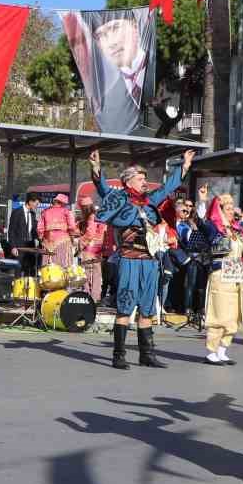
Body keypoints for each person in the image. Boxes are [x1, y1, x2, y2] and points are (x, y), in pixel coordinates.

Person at [88, 147, 194, 370]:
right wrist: (97, 168)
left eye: (145, 178)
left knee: (147, 309)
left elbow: (168, 188)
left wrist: (184, 166)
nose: (144, 182)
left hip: (150, 261)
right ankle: (119, 355)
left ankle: (147, 354)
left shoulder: (150, 200)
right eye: (140, 178)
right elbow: (102, 187)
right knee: (125, 307)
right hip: (129, 260)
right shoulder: (118, 197)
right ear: (128, 181)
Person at [198, 186, 243, 365]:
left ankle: (223, 349)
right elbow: (202, 222)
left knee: (234, 314)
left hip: (236, 275)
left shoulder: (237, 229)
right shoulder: (214, 228)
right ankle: (211, 351)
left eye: (233, 207)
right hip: (220, 273)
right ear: (219, 210)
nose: (232, 210)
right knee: (220, 313)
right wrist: (202, 201)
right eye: (228, 207)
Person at [39, 193, 78, 271]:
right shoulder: (66, 212)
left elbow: (40, 229)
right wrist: (73, 238)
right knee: (62, 267)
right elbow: (72, 227)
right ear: (62, 203)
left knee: (48, 269)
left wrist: (42, 239)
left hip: (47, 243)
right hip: (63, 242)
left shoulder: (45, 212)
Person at [8, 194, 41, 277]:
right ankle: (17, 288)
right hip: (19, 246)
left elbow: (34, 231)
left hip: (30, 246)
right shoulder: (17, 212)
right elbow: (11, 231)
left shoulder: (32, 214)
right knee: (18, 270)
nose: (37, 206)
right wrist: (13, 247)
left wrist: (40, 240)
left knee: (29, 269)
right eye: (36, 204)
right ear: (30, 202)